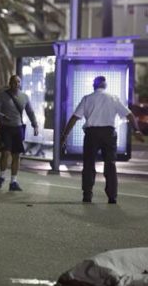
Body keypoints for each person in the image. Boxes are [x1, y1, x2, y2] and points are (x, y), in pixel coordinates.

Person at [60, 76, 145, 204]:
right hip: (109, 134)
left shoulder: (87, 98)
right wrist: (136, 130)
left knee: (88, 164)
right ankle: (112, 197)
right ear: (105, 86)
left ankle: (87, 195)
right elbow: (129, 115)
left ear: (94, 86)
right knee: (110, 164)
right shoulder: (113, 98)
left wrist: (64, 135)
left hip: (91, 134)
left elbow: (74, 118)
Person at [0, 75, 38, 191]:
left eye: (18, 82)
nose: (16, 84)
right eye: (14, 82)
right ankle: (2, 177)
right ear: (9, 83)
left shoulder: (24, 97)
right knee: (5, 153)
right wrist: (3, 117)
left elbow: (30, 112)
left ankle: (13, 182)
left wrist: (35, 124)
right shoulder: (3, 96)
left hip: (18, 128)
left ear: (20, 83)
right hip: (6, 128)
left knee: (17, 155)